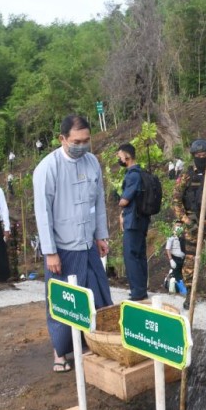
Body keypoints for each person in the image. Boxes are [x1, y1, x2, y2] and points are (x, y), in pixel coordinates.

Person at [33, 115, 112, 373]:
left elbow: (98, 202)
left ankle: (92, 344)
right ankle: (60, 352)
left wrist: (101, 235)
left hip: (88, 244)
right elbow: (43, 213)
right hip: (63, 250)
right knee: (64, 304)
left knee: (98, 296)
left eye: (86, 140)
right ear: (62, 139)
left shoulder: (92, 162)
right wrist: (50, 253)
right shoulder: (48, 167)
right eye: (76, 141)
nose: (82, 146)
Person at [171, 138, 206, 304]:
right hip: (193, 222)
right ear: (193, 156)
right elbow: (176, 201)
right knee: (191, 258)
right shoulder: (186, 176)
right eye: (198, 155)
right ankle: (190, 292)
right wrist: (185, 219)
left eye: (204, 154)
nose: (201, 157)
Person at [116, 143, 150, 301]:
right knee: (139, 254)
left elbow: (125, 200)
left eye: (120, 156)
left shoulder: (132, 175)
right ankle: (141, 289)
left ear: (126, 156)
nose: (119, 159)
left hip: (133, 221)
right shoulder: (141, 173)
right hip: (141, 219)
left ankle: (137, 292)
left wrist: (119, 201)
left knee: (131, 255)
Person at [165, 220, 185, 290]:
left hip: (183, 259)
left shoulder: (183, 236)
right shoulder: (171, 236)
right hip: (175, 259)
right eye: (177, 226)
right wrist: (171, 260)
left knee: (182, 274)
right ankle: (183, 291)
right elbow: (168, 249)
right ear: (174, 226)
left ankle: (180, 289)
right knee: (177, 275)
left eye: (180, 226)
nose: (179, 227)